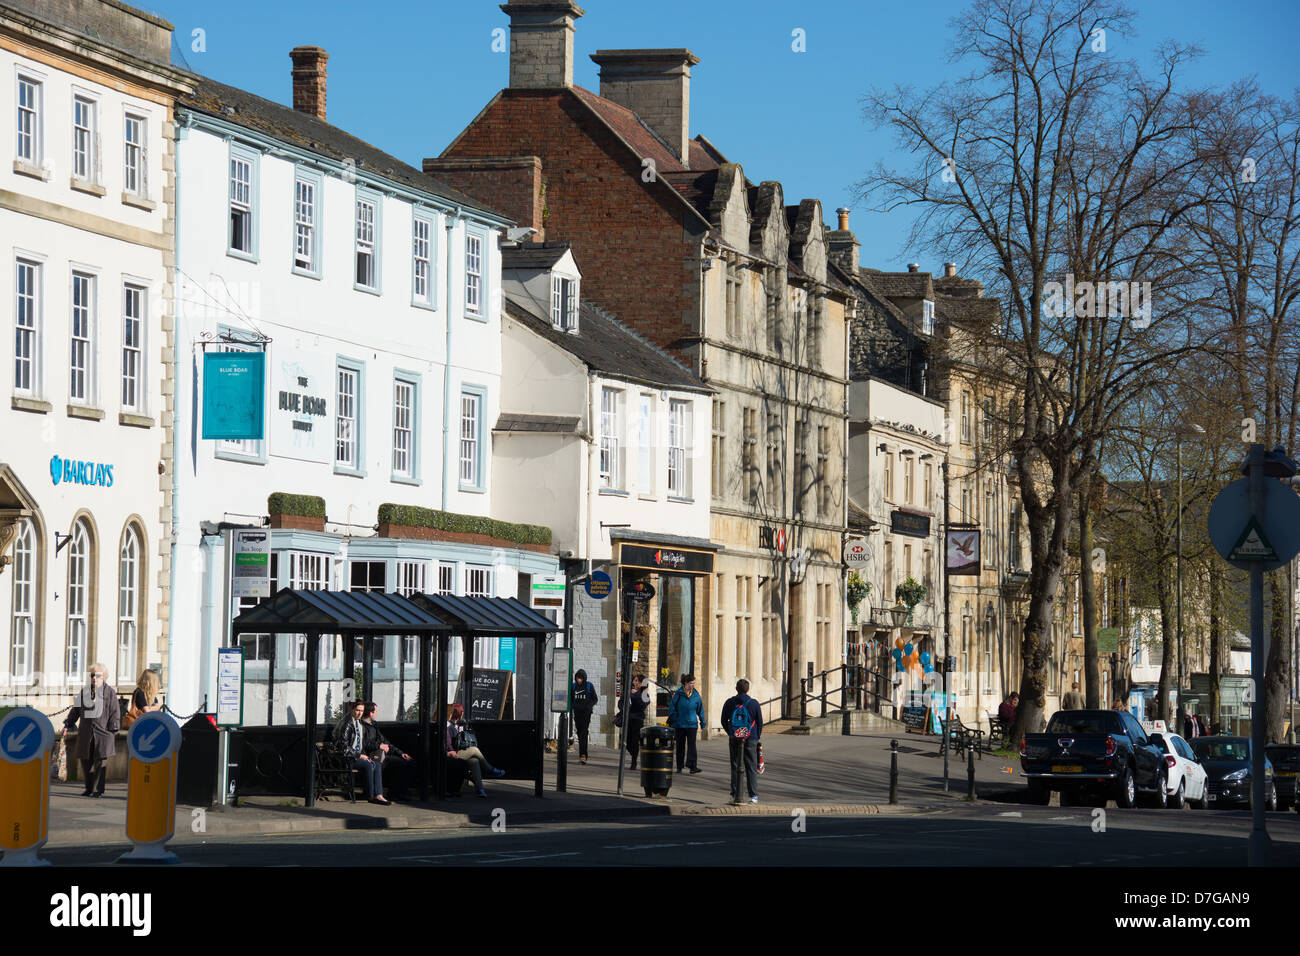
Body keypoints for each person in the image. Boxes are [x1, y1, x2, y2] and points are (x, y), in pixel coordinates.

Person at [61, 663, 120, 797]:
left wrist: (113, 729)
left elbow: (115, 712)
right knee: (85, 761)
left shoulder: (110, 693)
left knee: (100, 762)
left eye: (98, 676)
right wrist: (68, 724)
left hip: (103, 733)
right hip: (86, 732)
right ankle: (89, 788)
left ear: (103, 677)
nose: (94, 678)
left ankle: (98, 789)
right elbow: (75, 711)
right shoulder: (85, 692)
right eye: (92, 675)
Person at [333, 700, 388, 805]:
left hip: (356, 756)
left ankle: (379, 795)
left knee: (376, 763)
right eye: (357, 710)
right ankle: (370, 795)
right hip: (347, 758)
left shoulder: (358, 723)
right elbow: (343, 746)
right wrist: (359, 755)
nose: (359, 713)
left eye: (361, 711)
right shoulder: (347, 724)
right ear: (352, 710)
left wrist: (364, 755)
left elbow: (362, 743)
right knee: (368, 764)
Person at [446, 702, 505, 798]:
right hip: (452, 753)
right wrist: (450, 751)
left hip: (457, 751)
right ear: (459, 713)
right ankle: (490, 769)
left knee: (474, 761)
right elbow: (448, 744)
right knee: (474, 750)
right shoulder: (449, 726)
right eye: (462, 712)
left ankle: (480, 789)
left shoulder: (455, 725)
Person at [720, 678, 762, 805]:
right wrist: (756, 736)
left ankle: (735, 793)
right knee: (751, 766)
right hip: (750, 737)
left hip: (734, 738)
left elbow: (723, 720)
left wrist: (731, 733)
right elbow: (759, 722)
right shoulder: (754, 703)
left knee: (735, 766)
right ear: (748, 689)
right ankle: (753, 795)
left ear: (736, 689)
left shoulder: (729, 702)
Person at [362, 701, 414, 801]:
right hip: (370, 755)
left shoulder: (373, 725)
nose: (377, 714)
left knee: (403, 761)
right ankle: (395, 793)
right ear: (370, 713)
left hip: (378, 755)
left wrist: (401, 753)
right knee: (397, 763)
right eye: (376, 711)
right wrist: (379, 745)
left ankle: (398, 792)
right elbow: (363, 744)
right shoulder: (362, 726)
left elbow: (384, 741)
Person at [667, 673, 704, 774]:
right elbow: (672, 707)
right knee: (680, 745)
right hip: (680, 724)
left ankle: (693, 767)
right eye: (691, 683)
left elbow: (700, 710)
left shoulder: (696, 695)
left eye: (694, 683)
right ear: (685, 683)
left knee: (692, 746)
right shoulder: (678, 694)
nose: (693, 685)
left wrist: (703, 722)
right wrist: (675, 717)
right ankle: (679, 766)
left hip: (692, 724)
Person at [618, 674, 651, 770]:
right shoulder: (628, 691)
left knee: (634, 740)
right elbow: (621, 701)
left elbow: (643, 705)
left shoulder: (644, 694)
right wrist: (622, 708)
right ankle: (635, 755)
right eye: (635, 681)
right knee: (626, 740)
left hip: (637, 719)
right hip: (628, 718)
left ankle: (634, 761)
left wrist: (635, 695)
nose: (635, 683)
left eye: (638, 681)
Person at [571, 669, 599, 765]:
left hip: (586, 714)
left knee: (583, 733)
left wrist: (589, 706)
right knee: (579, 733)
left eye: (581, 678)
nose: (579, 680)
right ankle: (582, 755)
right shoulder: (574, 687)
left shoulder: (589, 686)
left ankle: (583, 755)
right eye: (577, 678)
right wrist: (573, 706)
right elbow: (570, 699)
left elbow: (595, 699)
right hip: (577, 714)